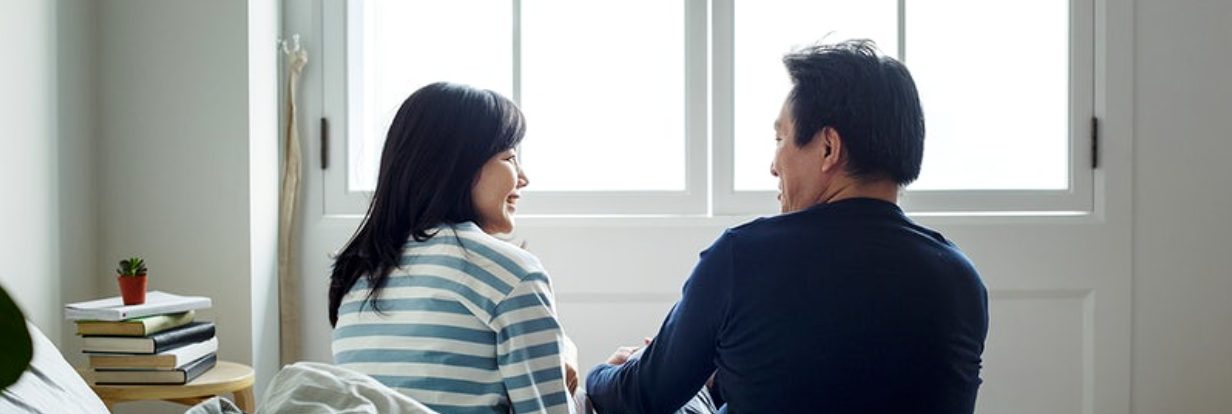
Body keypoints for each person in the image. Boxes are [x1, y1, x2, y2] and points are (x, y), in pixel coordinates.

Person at [585, 40, 989, 413]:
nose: (773, 165)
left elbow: (640, 396)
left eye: (781, 139)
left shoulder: (742, 257)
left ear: (828, 147)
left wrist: (600, 375)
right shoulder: (960, 280)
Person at [329, 82, 577, 414]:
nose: (523, 178)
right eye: (510, 158)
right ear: (458, 165)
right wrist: (568, 358)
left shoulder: (359, 276)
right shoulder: (512, 275)